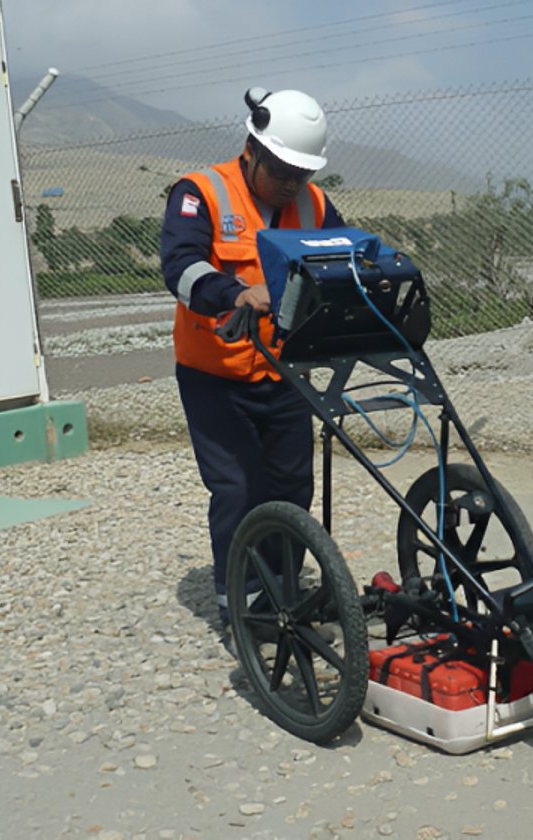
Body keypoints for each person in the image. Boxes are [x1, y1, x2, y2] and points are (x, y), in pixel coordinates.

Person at [160, 87, 346, 621]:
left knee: (292, 487)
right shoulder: (201, 192)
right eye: (282, 171)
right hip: (214, 376)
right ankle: (239, 606)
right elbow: (180, 267)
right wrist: (235, 294)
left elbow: (340, 257)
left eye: (301, 174)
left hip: (283, 372)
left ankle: (283, 598)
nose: (291, 184)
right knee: (239, 487)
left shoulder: (313, 204)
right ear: (252, 150)